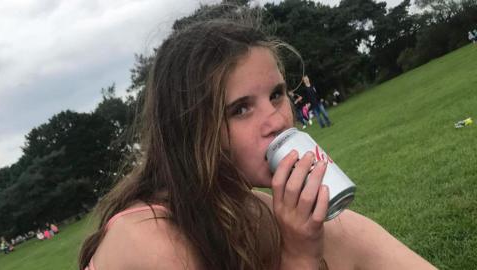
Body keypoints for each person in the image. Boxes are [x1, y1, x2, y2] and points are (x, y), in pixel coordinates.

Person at [79, 18, 437, 270]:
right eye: (240, 109)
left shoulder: (237, 203)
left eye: (277, 94)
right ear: (190, 131)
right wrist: (299, 257)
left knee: (345, 231)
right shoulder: (154, 242)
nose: (279, 121)